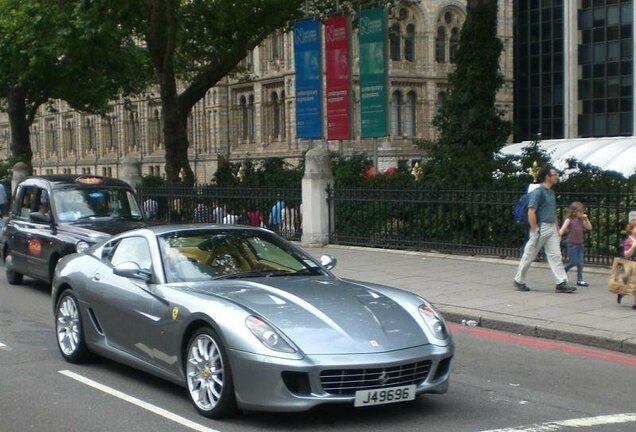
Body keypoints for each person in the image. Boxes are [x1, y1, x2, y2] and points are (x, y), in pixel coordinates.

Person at [513, 165, 577, 293]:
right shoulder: (538, 192)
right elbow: (531, 212)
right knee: (530, 254)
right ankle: (519, 280)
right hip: (541, 227)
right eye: (554, 175)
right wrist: (535, 229)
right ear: (547, 177)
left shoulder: (551, 192)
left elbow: (553, 212)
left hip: (551, 227)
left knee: (556, 256)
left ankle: (561, 282)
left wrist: (557, 229)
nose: (557, 177)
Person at [559, 201, 593, 287]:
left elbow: (589, 228)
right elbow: (562, 229)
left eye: (583, 212)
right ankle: (562, 272)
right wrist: (558, 236)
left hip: (580, 243)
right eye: (580, 212)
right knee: (573, 262)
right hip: (572, 244)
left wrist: (586, 219)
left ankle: (580, 279)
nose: (582, 213)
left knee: (580, 263)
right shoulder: (569, 220)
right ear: (574, 211)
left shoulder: (581, 220)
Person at [619, 219, 636, 310]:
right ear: (631, 229)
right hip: (630, 265)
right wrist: (633, 247)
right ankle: (622, 292)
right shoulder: (628, 241)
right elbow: (626, 254)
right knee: (629, 285)